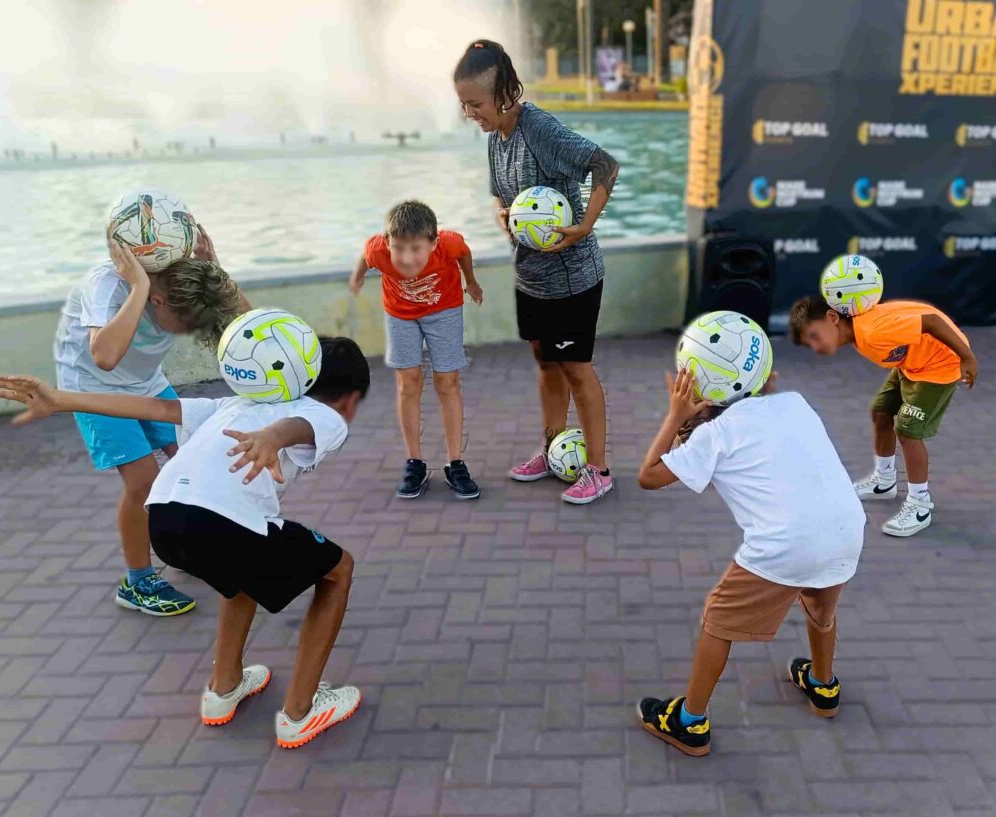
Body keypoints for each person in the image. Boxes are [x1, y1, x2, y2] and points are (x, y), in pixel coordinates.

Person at [0, 336, 369, 749]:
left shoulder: (232, 404)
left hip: (165, 520)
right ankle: (300, 714)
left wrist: (62, 400)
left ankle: (224, 688)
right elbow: (300, 427)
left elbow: (154, 408)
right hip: (221, 524)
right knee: (337, 570)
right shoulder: (326, 415)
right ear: (350, 399)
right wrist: (274, 437)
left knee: (241, 571)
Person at [634, 367, 865, 757]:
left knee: (717, 620)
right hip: (847, 529)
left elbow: (649, 475)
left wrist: (675, 416)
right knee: (820, 607)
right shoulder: (795, 404)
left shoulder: (714, 435)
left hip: (786, 544)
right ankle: (823, 686)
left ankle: (689, 723)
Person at [454, 39, 620, 505]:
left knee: (575, 368)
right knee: (547, 365)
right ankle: (552, 450)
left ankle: (598, 470)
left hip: (572, 277)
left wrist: (585, 226)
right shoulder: (495, 138)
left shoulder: (539, 129)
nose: (469, 113)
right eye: (464, 104)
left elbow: (605, 166)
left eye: (476, 103)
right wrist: (502, 215)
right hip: (531, 278)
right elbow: (499, 195)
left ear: (504, 92)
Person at [55, 228, 248, 615]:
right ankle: (138, 582)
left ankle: (186, 548)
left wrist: (214, 267)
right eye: (184, 321)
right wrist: (139, 287)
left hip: (146, 382)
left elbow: (245, 324)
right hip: (93, 386)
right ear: (158, 299)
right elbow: (104, 356)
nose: (189, 330)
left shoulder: (181, 283)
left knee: (191, 458)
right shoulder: (106, 285)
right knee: (143, 480)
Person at [789, 296, 977, 537]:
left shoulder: (872, 332)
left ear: (832, 317)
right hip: (913, 362)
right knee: (881, 411)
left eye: (814, 336)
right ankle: (884, 481)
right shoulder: (859, 332)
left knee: (908, 431)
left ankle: (920, 505)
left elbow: (931, 321)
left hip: (940, 364)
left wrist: (967, 357)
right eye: (809, 344)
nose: (816, 347)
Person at [349, 200, 484, 500]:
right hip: (400, 315)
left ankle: (455, 463)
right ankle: (415, 462)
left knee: (447, 382)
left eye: (416, 249)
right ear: (387, 242)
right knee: (408, 383)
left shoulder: (449, 243)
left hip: (444, 310)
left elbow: (464, 253)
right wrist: (357, 278)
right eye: (398, 248)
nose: (407, 259)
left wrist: (471, 282)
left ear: (433, 244)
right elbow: (365, 257)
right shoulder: (377, 250)